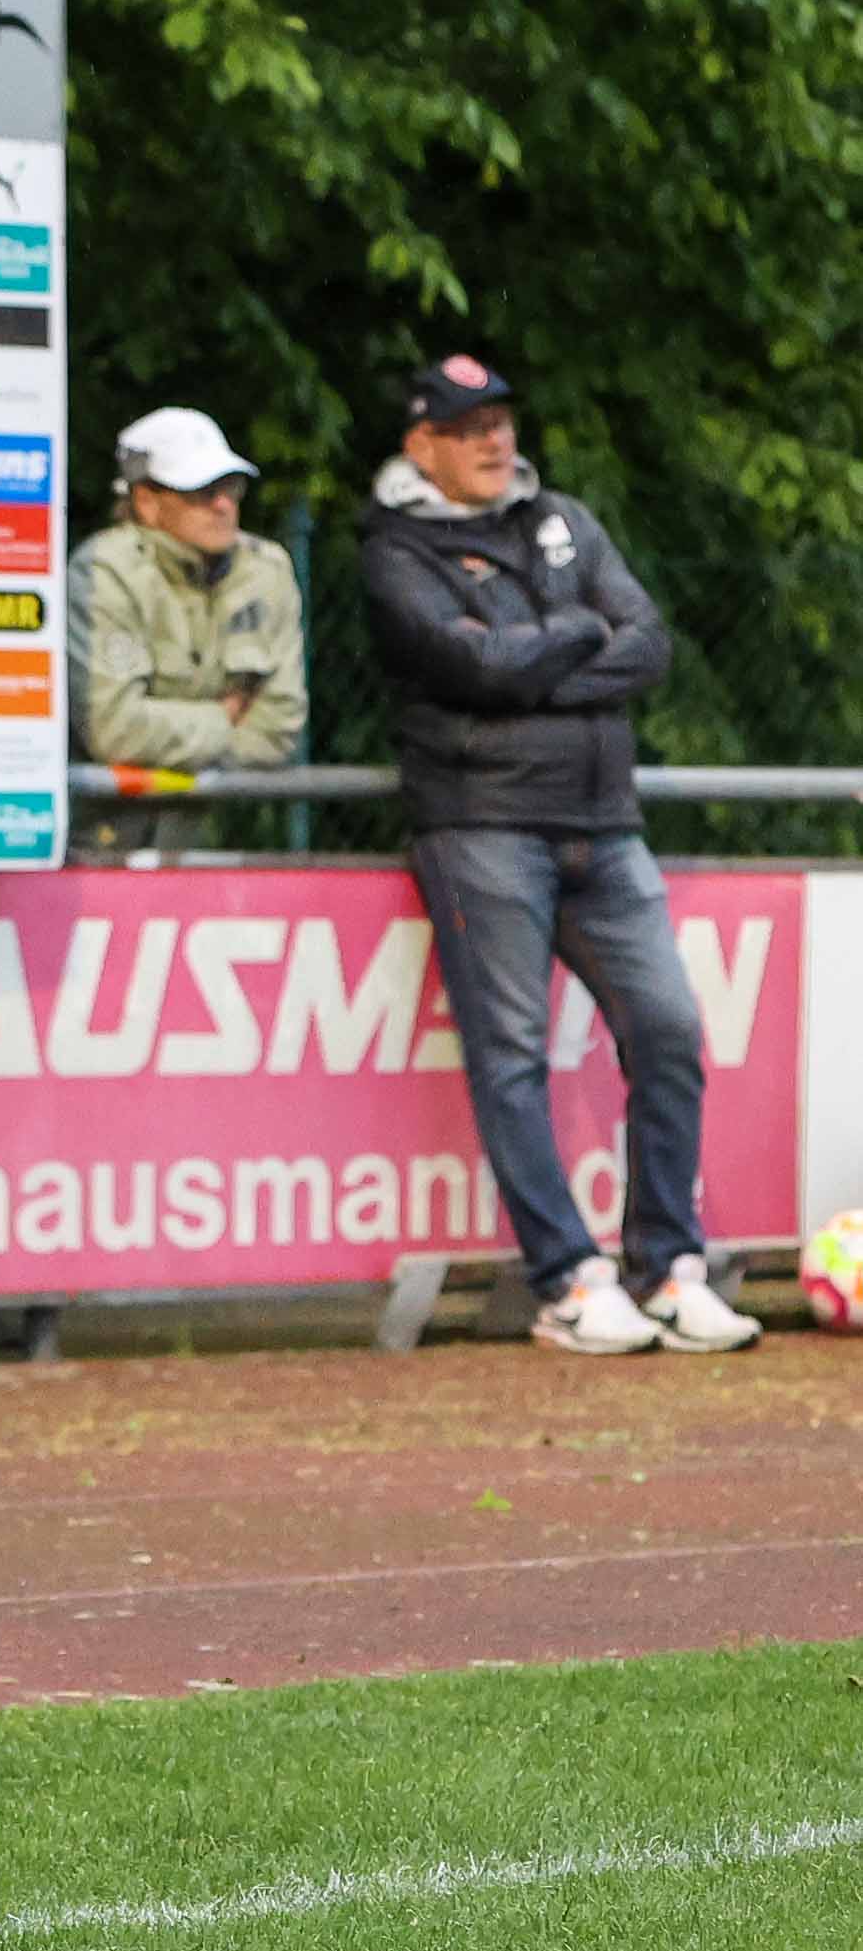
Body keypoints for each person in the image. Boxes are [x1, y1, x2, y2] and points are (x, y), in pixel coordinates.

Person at [356, 355, 756, 1358]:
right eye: (470, 426)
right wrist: (579, 636)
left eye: (502, 420)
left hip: (605, 826)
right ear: (423, 446)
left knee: (668, 1029)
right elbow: (467, 664)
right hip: (481, 826)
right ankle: (571, 1279)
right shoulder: (395, 547)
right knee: (513, 1057)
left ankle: (669, 1267)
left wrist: (536, 663)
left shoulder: (566, 517)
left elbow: (648, 642)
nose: (497, 440)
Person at [73, 406, 307, 858]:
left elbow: (278, 729)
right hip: (98, 845)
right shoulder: (104, 571)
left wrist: (166, 731)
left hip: (205, 845)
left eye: (231, 487)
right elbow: (113, 729)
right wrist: (225, 717)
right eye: (202, 491)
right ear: (147, 501)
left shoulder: (268, 570)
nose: (224, 505)